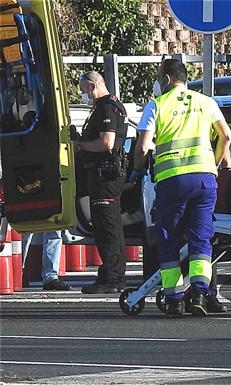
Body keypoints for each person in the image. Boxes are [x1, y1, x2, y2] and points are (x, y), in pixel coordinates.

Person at [131, 59, 231, 317]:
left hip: (171, 180)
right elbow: (226, 135)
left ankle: (174, 298)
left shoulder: (157, 105)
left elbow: (143, 147)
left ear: (165, 79)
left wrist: (137, 168)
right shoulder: (206, 102)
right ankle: (199, 292)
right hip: (204, 179)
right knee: (201, 238)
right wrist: (215, 162)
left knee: (169, 239)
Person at [74, 71, 128, 294]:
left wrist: (81, 146)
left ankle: (113, 278)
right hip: (99, 174)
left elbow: (107, 142)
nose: (84, 95)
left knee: (108, 227)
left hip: (105, 174)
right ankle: (108, 274)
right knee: (104, 226)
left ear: (92, 85)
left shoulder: (107, 107)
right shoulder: (101, 107)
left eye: (84, 90)